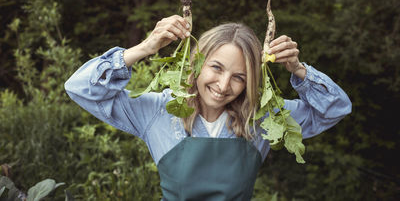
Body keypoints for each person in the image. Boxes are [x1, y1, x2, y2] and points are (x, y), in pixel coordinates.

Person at [65, 15, 352, 200]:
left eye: (239, 77)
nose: (224, 85)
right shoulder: (160, 110)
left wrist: (298, 69)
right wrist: (145, 47)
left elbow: (335, 108)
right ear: (196, 64)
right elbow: (80, 88)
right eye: (216, 67)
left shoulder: (263, 118)